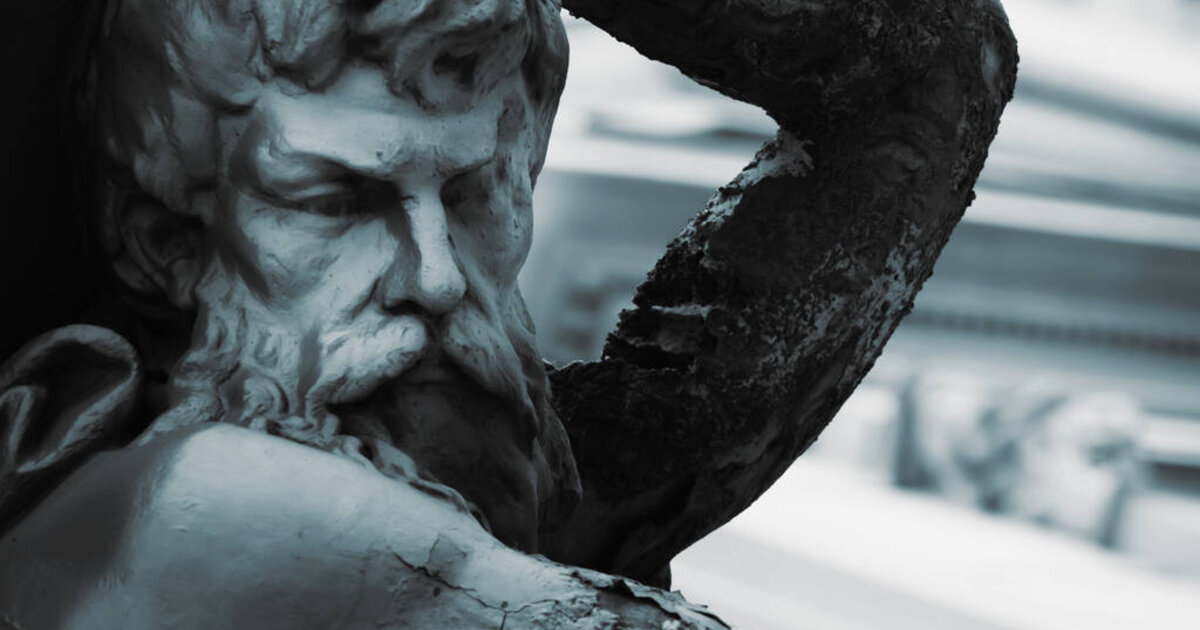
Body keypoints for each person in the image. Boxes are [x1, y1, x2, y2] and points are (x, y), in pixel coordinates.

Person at [0, 1, 1017, 627]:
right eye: (337, 204)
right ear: (165, 246)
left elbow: (929, 74)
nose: (436, 278)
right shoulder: (199, 500)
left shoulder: (541, 486)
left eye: (473, 194)